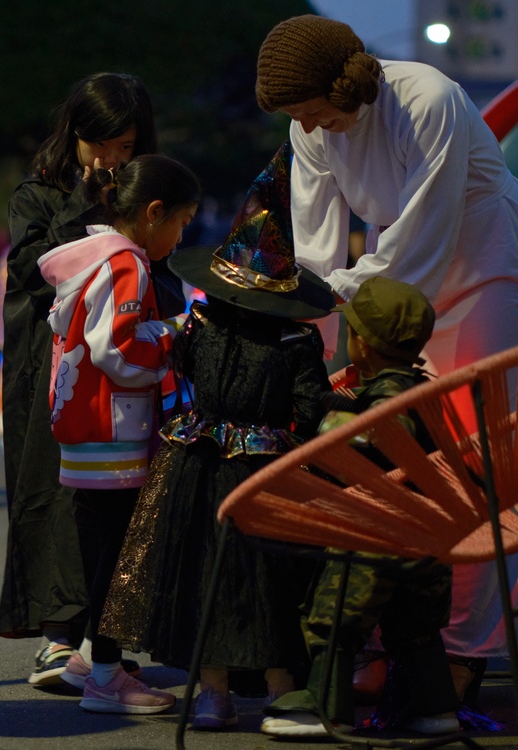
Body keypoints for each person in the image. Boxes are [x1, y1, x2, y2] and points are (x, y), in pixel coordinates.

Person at [254, 15, 518, 698]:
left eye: (311, 110)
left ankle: (464, 648)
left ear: (341, 85)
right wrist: (309, 325)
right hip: (399, 281)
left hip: (489, 268)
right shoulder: (306, 130)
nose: (305, 126)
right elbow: (317, 249)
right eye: (294, 117)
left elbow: (428, 228)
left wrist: (341, 301)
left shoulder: (427, 96)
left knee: (481, 455)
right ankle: (389, 631)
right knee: (397, 454)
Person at [99, 143, 335, 731]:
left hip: (194, 463)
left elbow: (182, 369)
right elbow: (310, 409)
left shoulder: (200, 326)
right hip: (262, 472)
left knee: (202, 574)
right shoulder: (295, 343)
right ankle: (282, 689)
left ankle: (213, 696)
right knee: (267, 580)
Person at [0, 72, 165, 687]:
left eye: (126, 146)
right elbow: (30, 270)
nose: (113, 159)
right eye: (103, 144)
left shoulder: (139, 195)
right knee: (50, 493)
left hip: (117, 376)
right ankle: (55, 636)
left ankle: (103, 638)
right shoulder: (38, 195)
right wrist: (85, 205)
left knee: (114, 500)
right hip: (53, 373)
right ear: (75, 134)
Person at [261, 277, 460, 739]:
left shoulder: (381, 405)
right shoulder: (427, 394)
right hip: (429, 542)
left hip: (375, 540)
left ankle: (325, 706)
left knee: (331, 620)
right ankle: (434, 706)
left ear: (362, 345)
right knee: (416, 628)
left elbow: (344, 449)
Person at [37, 154, 201, 714]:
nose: (181, 237)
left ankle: (90, 658)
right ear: (153, 213)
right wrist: (176, 333)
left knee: (100, 547)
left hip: (83, 426)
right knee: (117, 558)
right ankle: (108, 677)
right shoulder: (126, 262)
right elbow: (121, 347)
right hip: (116, 428)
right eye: (181, 222)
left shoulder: (90, 258)